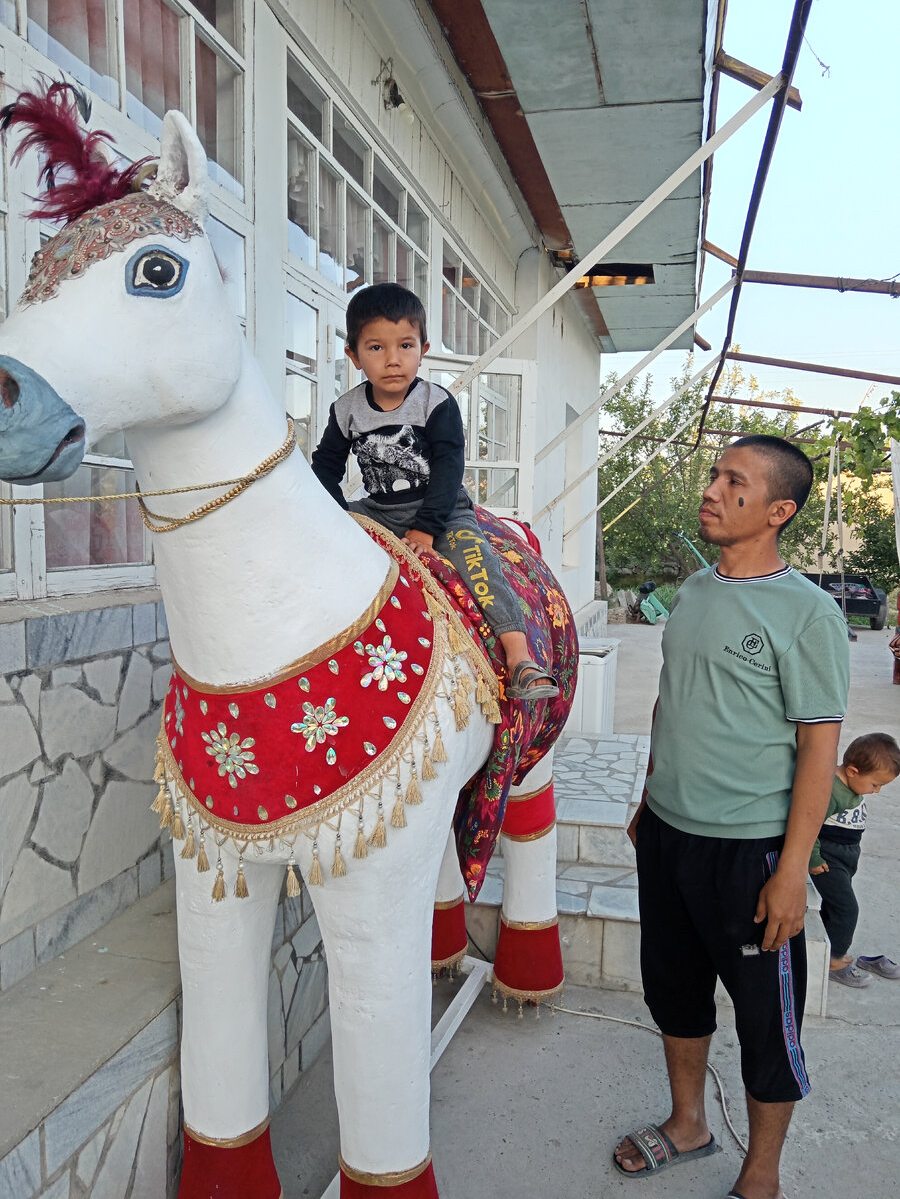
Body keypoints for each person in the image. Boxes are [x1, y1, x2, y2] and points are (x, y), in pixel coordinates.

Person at [613, 435, 850, 1199]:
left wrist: (791, 871)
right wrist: (651, 792)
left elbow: (820, 752)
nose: (713, 490)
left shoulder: (808, 614)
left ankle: (763, 1173)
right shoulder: (693, 590)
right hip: (669, 837)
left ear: (778, 510)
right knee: (673, 991)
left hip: (749, 854)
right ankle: (689, 1123)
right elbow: (671, 698)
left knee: (764, 1023)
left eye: (734, 482)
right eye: (715, 475)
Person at [311, 283, 557, 699]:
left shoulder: (435, 402)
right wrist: (337, 516)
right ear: (353, 355)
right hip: (378, 510)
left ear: (422, 349)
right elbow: (324, 466)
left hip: (441, 509)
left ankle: (520, 660)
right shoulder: (346, 410)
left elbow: (448, 467)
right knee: (321, 553)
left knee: (478, 564)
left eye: (405, 345)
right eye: (376, 348)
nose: (393, 360)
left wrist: (427, 528)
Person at [809, 732, 900, 987]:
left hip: (846, 855)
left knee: (834, 907)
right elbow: (810, 824)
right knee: (847, 909)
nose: (877, 791)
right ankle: (834, 962)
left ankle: (827, 950)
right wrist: (813, 857)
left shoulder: (850, 785)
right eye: (874, 784)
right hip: (828, 858)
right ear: (852, 771)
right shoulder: (830, 791)